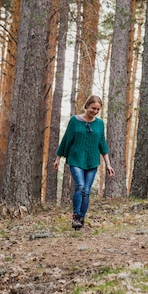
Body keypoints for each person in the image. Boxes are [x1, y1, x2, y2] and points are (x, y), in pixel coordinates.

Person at [53, 95, 115, 230]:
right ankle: (75, 217)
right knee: (80, 186)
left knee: (86, 191)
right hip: (75, 159)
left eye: (98, 109)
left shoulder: (99, 124)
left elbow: (102, 144)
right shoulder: (74, 121)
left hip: (92, 161)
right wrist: (58, 158)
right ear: (87, 106)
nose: (95, 111)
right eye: (93, 108)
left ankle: (81, 220)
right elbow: (66, 140)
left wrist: (108, 164)